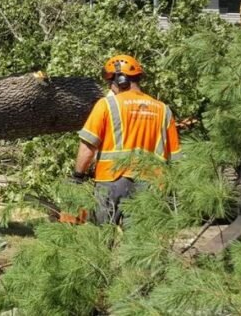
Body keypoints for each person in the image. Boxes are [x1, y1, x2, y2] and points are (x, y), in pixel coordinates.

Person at [73, 54, 182, 225]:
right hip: (151, 184)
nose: (110, 86)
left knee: (101, 240)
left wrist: (78, 175)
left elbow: (88, 146)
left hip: (111, 180)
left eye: (110, 81)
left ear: (121, 79)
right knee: (140, 244)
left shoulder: (107, 104)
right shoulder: (164, 110)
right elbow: (175, 157)